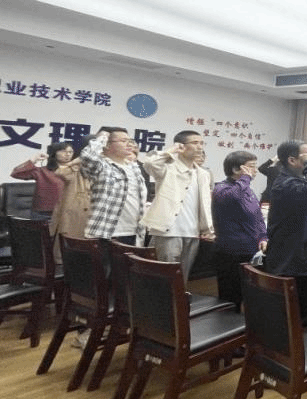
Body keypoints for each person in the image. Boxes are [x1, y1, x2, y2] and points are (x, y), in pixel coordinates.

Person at [138, 130, 214, 282]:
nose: (199, 147)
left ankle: (179, 297)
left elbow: (205, 204)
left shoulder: (203, 174)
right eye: (195, 143)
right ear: (181, 146)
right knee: (164, 275)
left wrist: (207, 228)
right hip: (168, 231)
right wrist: (171, 151)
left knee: (182, 276)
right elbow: (149, 164)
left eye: (201, 143)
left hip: (192, 232)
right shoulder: (168, 167)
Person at [264, 140, 307, 316]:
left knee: (298, 311)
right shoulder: (285, 184)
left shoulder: (294, 181)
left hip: (298, 257)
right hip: (290, 261)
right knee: (291, 314)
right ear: (292, 160)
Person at [212, 150, 268, 310]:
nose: (255, 170)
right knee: (231, 297)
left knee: (250, 294)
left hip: (251, 250)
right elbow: (233, 197)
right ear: (236, 169)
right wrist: (245, 178)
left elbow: (257, 217)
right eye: (251, 166)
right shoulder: (221, 188)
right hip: (231, 251)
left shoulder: (247, 189)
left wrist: (263, 237)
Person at [80, 128, 148, 246]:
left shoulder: (134, 167)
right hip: (106, 233)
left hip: (134, 233)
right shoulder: (102, 166)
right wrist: (102, 137)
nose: (129, 144)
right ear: (107, 145)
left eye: (130, 141)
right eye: (123, 141)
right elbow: (87, 156)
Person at [50, 136, 96, 263]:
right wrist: (75, 162)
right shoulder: (76, 166)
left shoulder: (98, 167)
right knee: (68, 249)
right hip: (74, 211)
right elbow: (60, 172)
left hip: (93, 211)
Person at [9, 142, 74, 220]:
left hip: (68, 213)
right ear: (54, 153)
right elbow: (16, 173)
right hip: (44, 214)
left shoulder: (76, 171)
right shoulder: (42, 171)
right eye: (63, 151)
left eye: (70, 152)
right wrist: (33, 160)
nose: (68, 154)